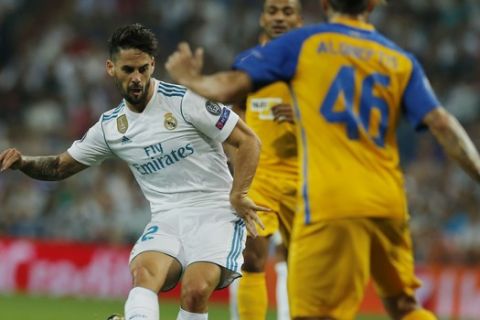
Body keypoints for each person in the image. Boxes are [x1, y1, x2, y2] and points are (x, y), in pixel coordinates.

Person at [165, 1, 480, 319]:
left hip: (328, 196)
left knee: (314, 313)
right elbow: (442, 123)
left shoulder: (306, 43)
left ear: (324, 4)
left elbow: (226, 88)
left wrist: (193, 79)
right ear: (372, 6)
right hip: (388, 197)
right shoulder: (399, 58)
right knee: (404, 305)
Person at [0, 23, 268, 320]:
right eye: (128, 70)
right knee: (144, 273)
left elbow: (248, 142)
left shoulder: (185, 102)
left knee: (195, 290)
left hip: (215, 212)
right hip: (167, 218)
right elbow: (59, 166)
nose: (137, 78)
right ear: (111, 68)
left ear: (153, 64)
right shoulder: (111, 127)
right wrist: (23, 162)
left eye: (143, 68)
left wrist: (239, 193)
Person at [226, 1, 302, 320]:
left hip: (308, 175)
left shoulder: (314, 62)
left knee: (305, 264)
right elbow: (234, 116)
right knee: (252, 259)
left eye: (287, 11)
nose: (279, 17)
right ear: (262, 17)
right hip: (262, 175)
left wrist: (303, 115)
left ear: (299, 18)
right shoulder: (245, 63)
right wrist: (238, 165)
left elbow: (341, 116)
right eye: (273, 11)